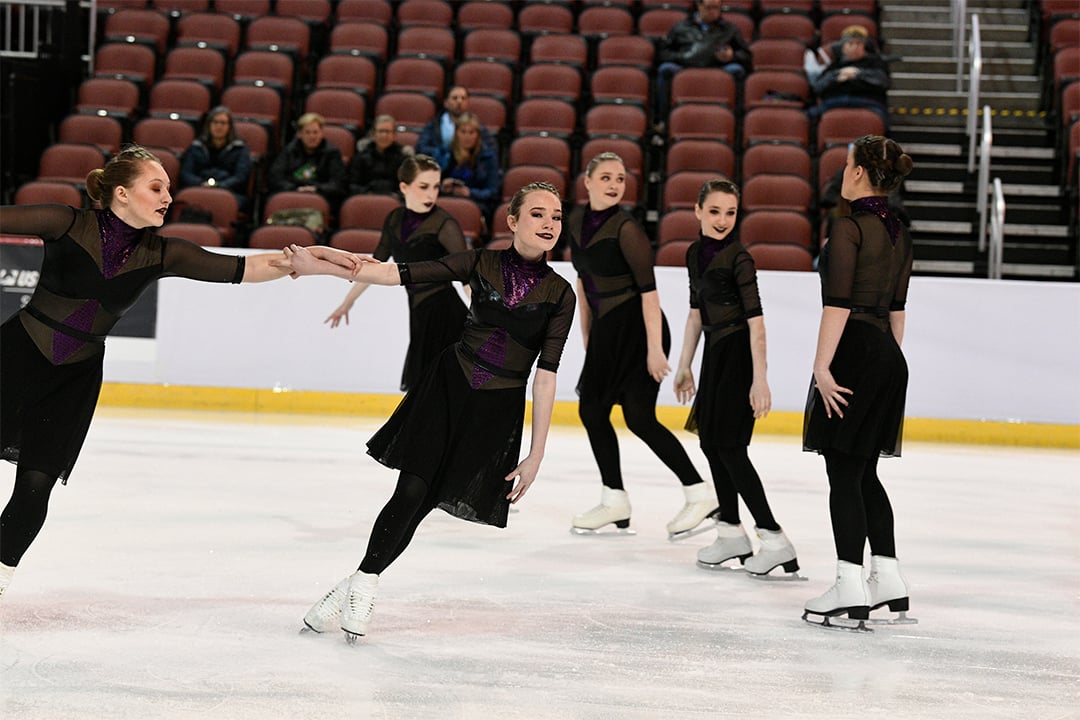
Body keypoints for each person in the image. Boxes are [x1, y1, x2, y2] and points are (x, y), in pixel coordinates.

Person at [0, 146, 360, 600]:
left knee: (35, 488)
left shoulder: (164, 253)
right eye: (157, 187)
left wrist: (304, 261)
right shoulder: (65, 222)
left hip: (73, 381)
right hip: (14, 357)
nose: (168, 196)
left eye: (168, 187)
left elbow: (248, 267)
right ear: (121, 193)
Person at [278, 182, 575, 642]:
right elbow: (394, 273)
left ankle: (354, 583)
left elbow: (547, 374)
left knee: (425, 501)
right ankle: (365, 585)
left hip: (495, 410)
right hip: (449, 387)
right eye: (538, 215)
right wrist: (321, 263)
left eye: (556, 217)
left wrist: (537, 454)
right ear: (513, 222)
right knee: (412, 489)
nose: (549, 224)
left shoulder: (561, 294)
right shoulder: (480, 262)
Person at [565, 152, 713, 539]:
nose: (615, 185)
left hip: (638, 328)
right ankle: (614, 497)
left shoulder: (626, 228)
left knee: (639, 417)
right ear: (589, 181)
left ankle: (699, 493)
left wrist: (655, 350)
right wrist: (587, 334)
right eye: (607, 177)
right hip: (606, 331)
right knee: (592, 410)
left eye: (621, 179)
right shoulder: (576, 222)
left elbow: (649, 294)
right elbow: (583, 284)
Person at [801, 135, 915, 629]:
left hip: (854, 352)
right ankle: (886, 575)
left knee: (844, 474)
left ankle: (850, 582)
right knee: (866, 471)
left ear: (859, 173)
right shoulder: (899, 233)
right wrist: (886, 362)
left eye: (847, 165)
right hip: (889, 355)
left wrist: (822, 366)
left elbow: (838, 305)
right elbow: (897, 309)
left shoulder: (849, 229)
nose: (843, 172)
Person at [672, 179, 801, 577]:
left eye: (730, 212)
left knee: (730, 449)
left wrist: (759, 379)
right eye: (714, 211)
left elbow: (756, 323)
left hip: (739, 356)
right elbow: (696, 312)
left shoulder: (739, 258)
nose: (723, 219)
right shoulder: (695, 253)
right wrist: (684, 363)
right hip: (714, 354)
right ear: (697, 211)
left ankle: (773, 537)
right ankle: (730, 531)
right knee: (712, 444)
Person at [327, 154, 468, 392]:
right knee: (425, 387)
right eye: (423, 187)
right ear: (404, 187)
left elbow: (467, 276)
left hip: (446, 313)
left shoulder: (445, 224)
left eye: (436, 187)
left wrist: (486, 314)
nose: (431, 194)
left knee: (441, 386)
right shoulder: (394, 220)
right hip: (419, 313)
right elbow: (374, 266)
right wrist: (347, 303)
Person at [654, 0, 752, 126]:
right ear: (699, 6)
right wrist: (682, 57)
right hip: (684, 67)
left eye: (717, 8)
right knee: (665, 69)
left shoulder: (730, 29)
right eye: (709, 8)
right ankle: (662, 121)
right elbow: (663, 54)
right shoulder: (681, 27)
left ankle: (736, 123)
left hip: (719, 67)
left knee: (736, 70)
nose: (713, 12)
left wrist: (732, 56)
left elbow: (747, 56)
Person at [809, 25, 891, 129]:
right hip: (835, 101)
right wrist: (837, 76)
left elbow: (883, 81)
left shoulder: (876, 63)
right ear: (843, 47)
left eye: (859, 43)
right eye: (850, 43)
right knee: (808, 116)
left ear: (864, 46)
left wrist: (857, 74)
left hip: (868, 102)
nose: (855, 47)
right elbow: (818, 87)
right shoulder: (835, 65)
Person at [433, 112, 501, 228]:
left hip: (476, 203)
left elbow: (492, 192)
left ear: (478, 135)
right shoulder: (443, 153)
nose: (467, 136)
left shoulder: (488, 157)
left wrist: (469, 192)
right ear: (456, 133)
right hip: (446, 198)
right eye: (463, 132)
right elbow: (430, 184)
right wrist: (442, 187)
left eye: (471, 132)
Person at [179, 106, 253, 211]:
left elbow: (241, 176)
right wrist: (201, 184)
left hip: (230, 192)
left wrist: (219, 186)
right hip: (199, 188)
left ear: (229, 126)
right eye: (215, 122)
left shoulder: (240, 149)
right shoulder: (196, 146)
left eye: (223, 123)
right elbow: (186, 173)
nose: (218, 126)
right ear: (209, 125)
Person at [266, 112, 347, 208]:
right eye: (307, 132)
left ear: (321, 133)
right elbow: (275, 177)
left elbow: (338, 183)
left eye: (315, 132)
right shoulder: (289, 150)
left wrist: (316, 189)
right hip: (292, 193)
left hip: (321, 196)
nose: (312, 137)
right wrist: (295, 189)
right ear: (300, 134)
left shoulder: (332, 153)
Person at [416, 85, 497, 159]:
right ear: (446, 103)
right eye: (455, 98)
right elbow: (421, 147)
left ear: (468, 103)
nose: (459, 101)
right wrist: (443, 153)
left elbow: (491, 149)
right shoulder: (434, 125)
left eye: (463, 98)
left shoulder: (477, 126)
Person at [346, 114, 413, 196]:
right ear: (373, 134)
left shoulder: (403, 158)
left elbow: (408, 186)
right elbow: (352, 185)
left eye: (388, 131)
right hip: (365, 199)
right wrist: (367, 193)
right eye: (381, 131)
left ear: (394, 135)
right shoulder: (361, 157)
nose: (384, 135)